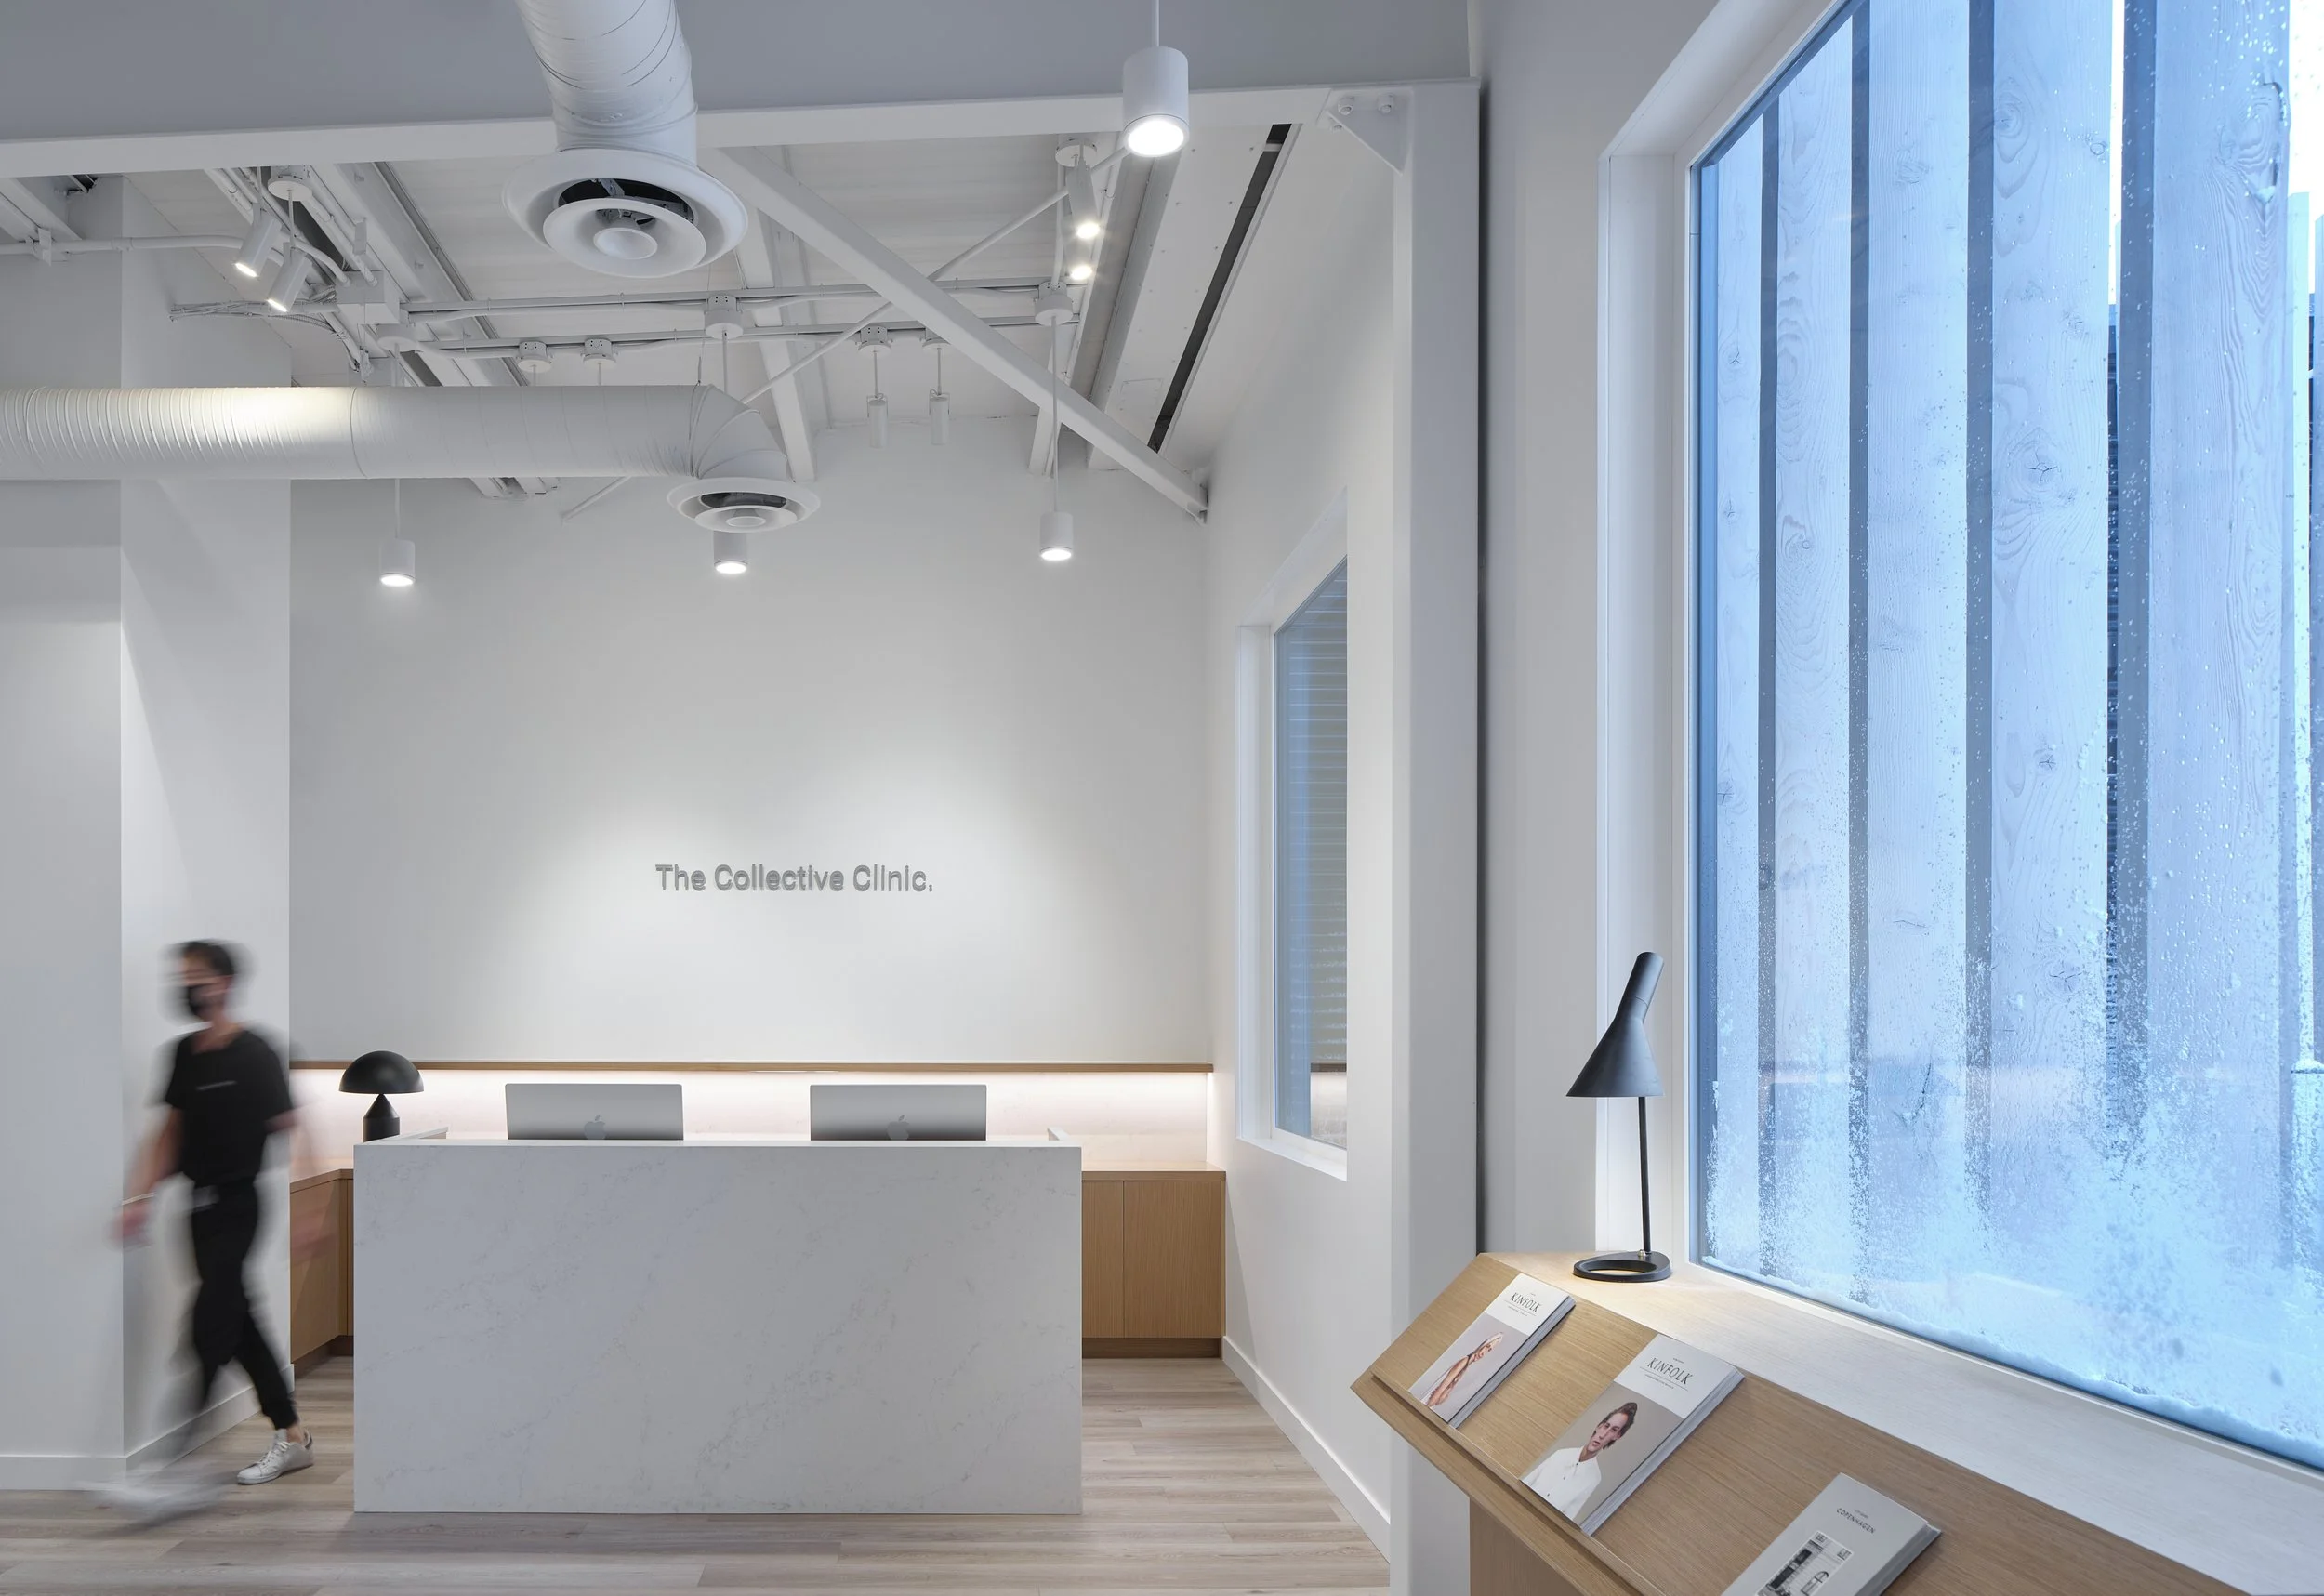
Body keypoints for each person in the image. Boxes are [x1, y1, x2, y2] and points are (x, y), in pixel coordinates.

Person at [103, 942, 319, 1521]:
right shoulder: (182, 1054)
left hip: (241, 1203)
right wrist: (139, 1197)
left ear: (223, 983)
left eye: (195, 977)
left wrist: (309, 1212)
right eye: (180, 977)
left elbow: (295, 1129)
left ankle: (175, 1470)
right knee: (239, 1322)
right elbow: (168, 1132)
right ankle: (292, 1437)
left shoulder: (256, 1052)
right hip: (194, 1210)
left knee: (207, 1327)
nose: (186, 986)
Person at [1524, 1401, 1638, 1522]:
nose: (1603, 1434)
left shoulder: (1594, 1478)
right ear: (1599, 1426)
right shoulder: (1561, 1454)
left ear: (1617, 1436)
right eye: (1606, 1426)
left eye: (1613, 1430)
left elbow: (1567, 1518)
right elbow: (1526, 1481)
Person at [1424, 1331, 1505, 1409]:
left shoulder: (1466, 1366)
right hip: (1425, 1404)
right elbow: (1439, 1391)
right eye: (1487, 1347)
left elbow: (1439, 1401)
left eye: (1489, 1350)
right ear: (1483, 1345)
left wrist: (1448, 1390)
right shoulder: (1464, 1362)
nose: (1484, 1353)